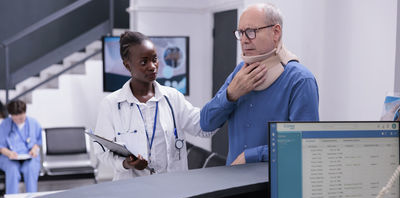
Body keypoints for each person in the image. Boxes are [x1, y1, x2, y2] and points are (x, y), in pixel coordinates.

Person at [200, 3, 319, 165]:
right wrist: (230, 95)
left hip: (273, 186)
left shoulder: (300, 80)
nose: (243, 40)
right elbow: (206, 123)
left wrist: (252, 156)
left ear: (275, 32)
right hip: (233, 184)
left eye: (251, 32)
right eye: (240, 33)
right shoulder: (239, 73)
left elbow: (304, 145)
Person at [95, 31, 212, 180]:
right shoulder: (111, 104)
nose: (152, 66)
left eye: (154, 59)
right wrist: (126, 163)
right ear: (127, 65)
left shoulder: (173, 97)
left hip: (172, 186)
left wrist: (227, 100)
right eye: (144, 62)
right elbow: (101, 151)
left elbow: (201, 127)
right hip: (133, 190)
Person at [0, 100, 42, 194]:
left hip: (29, 156)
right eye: (15, 119)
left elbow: (38, 141)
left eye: (21, 118)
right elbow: (1, 146)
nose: (18, 121)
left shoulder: (33, 123)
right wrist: (9, 153)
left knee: (30, 169)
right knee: (12, 170)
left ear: (25, 113)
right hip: (9, 157)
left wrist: (34, 149)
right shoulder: (5, 124)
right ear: (11, 115)